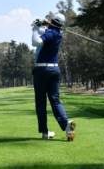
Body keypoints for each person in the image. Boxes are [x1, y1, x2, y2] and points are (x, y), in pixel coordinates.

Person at [31, 13, 76, 141]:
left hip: (42, 70)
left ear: (53, 21)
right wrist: (41, 24)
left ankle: (45, 132)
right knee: (55, 100)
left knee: (41, 102)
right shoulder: (56, 33)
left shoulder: (51, 33)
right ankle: (66, 125)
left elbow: (36, 42)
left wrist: (35, 28)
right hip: (55, 70)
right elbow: (44, 31)